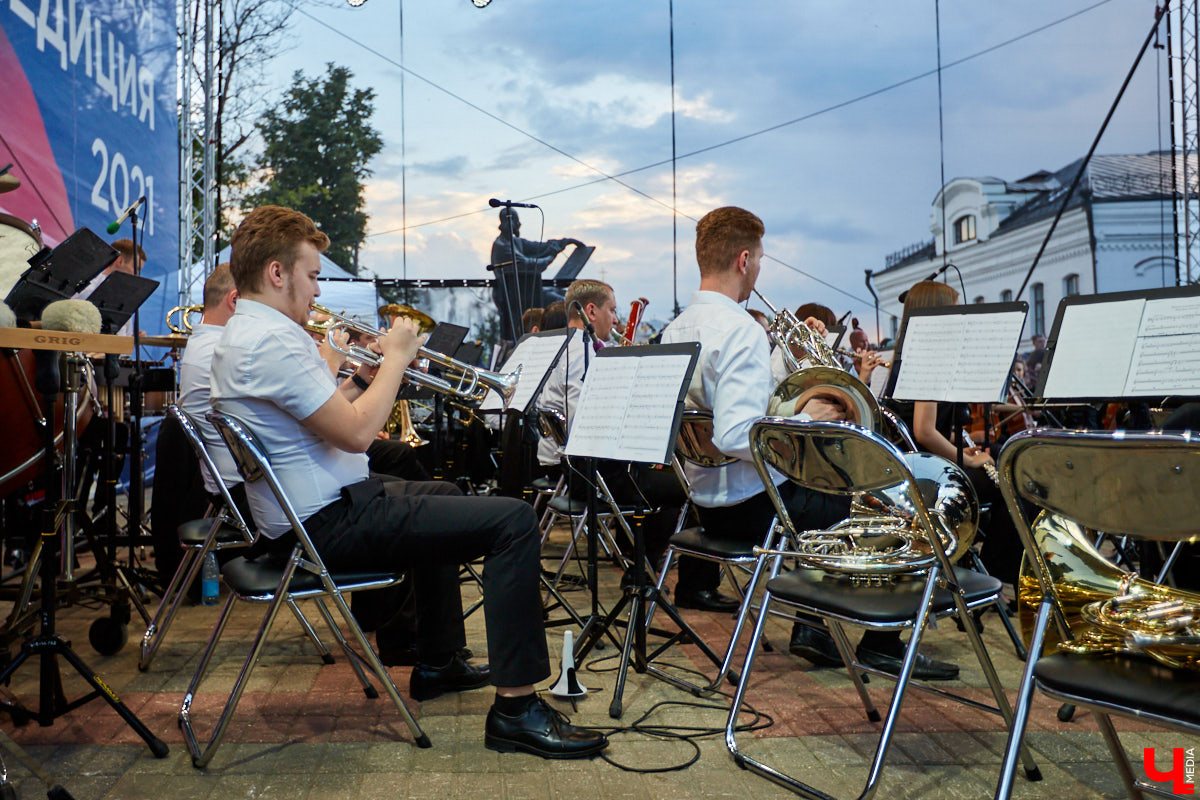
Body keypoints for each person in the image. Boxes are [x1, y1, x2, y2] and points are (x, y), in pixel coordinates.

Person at [210, 205, 607, 758]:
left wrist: (361, 380)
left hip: (315, 513)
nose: (316, 289)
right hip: (327, 524)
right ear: (277, 273)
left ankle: (439, 661)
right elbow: (354, 435)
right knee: (514, 520)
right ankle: (517, 709)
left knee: (443, 493)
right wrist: (396, 359)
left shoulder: (249, 335)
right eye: (312, 275)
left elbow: (320, 420)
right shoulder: (271, 341)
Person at [660, 207, 960, 679]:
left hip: (706, 500)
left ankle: (813, 627)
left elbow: (737, 403)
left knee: (840, 491)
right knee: (905, 504)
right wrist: (803, 416)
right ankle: (883, 641)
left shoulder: (676, 329)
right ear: (743, 261)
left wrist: (784, 365)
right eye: (759, 260)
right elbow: (736, 433)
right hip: (757, 508)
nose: (759, 269)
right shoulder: (739, 330)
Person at [889, 280, 1025, 588]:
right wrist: (967, 459)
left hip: (909, 467)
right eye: (954, 308)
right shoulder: (930, 355)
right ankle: (991, 576)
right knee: (1018, 483)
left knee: (1007, 463)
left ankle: (988, 572)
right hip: (926, 478)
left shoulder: (906, 352)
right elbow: (923, 431)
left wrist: (966, 444)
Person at [490, 208, 580, 341]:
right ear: (508, 222)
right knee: (562, 302)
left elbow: (539, 247)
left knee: (564, 295)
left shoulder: (516, 242)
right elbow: (530, 264)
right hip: (516, 297)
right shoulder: (501, 246)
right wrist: (551, 255)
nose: (519, 224)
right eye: (516, 220)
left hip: (529, 291)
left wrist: (564, 242)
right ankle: (557, 337)